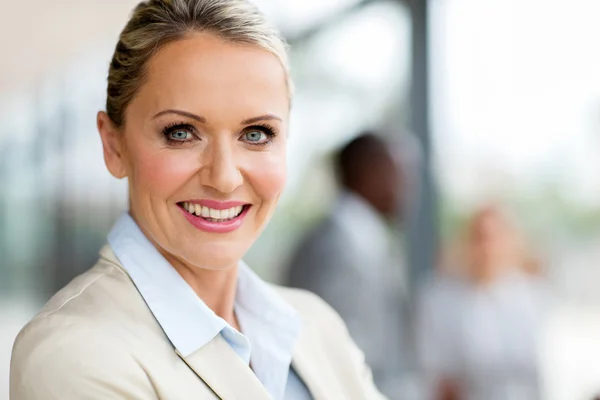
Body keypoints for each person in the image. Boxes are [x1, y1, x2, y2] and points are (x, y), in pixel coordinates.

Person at [9, 1, 386, 399]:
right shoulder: (72, 356)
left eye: (256, 134)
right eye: (181, 132)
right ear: (114, 146)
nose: (224, 179)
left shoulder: (316, 326)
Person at [286, 133, 408, 398]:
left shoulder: (362, 236)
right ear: (371, 173)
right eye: (396, 174)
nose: (403, 187)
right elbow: (331, 347)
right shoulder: (333, 245)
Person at [416, 205, 547, 400]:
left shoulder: (531, 298)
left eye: (495, 239)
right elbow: (437, 375)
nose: (487, 249)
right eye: (480, 239)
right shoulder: (440, 299)